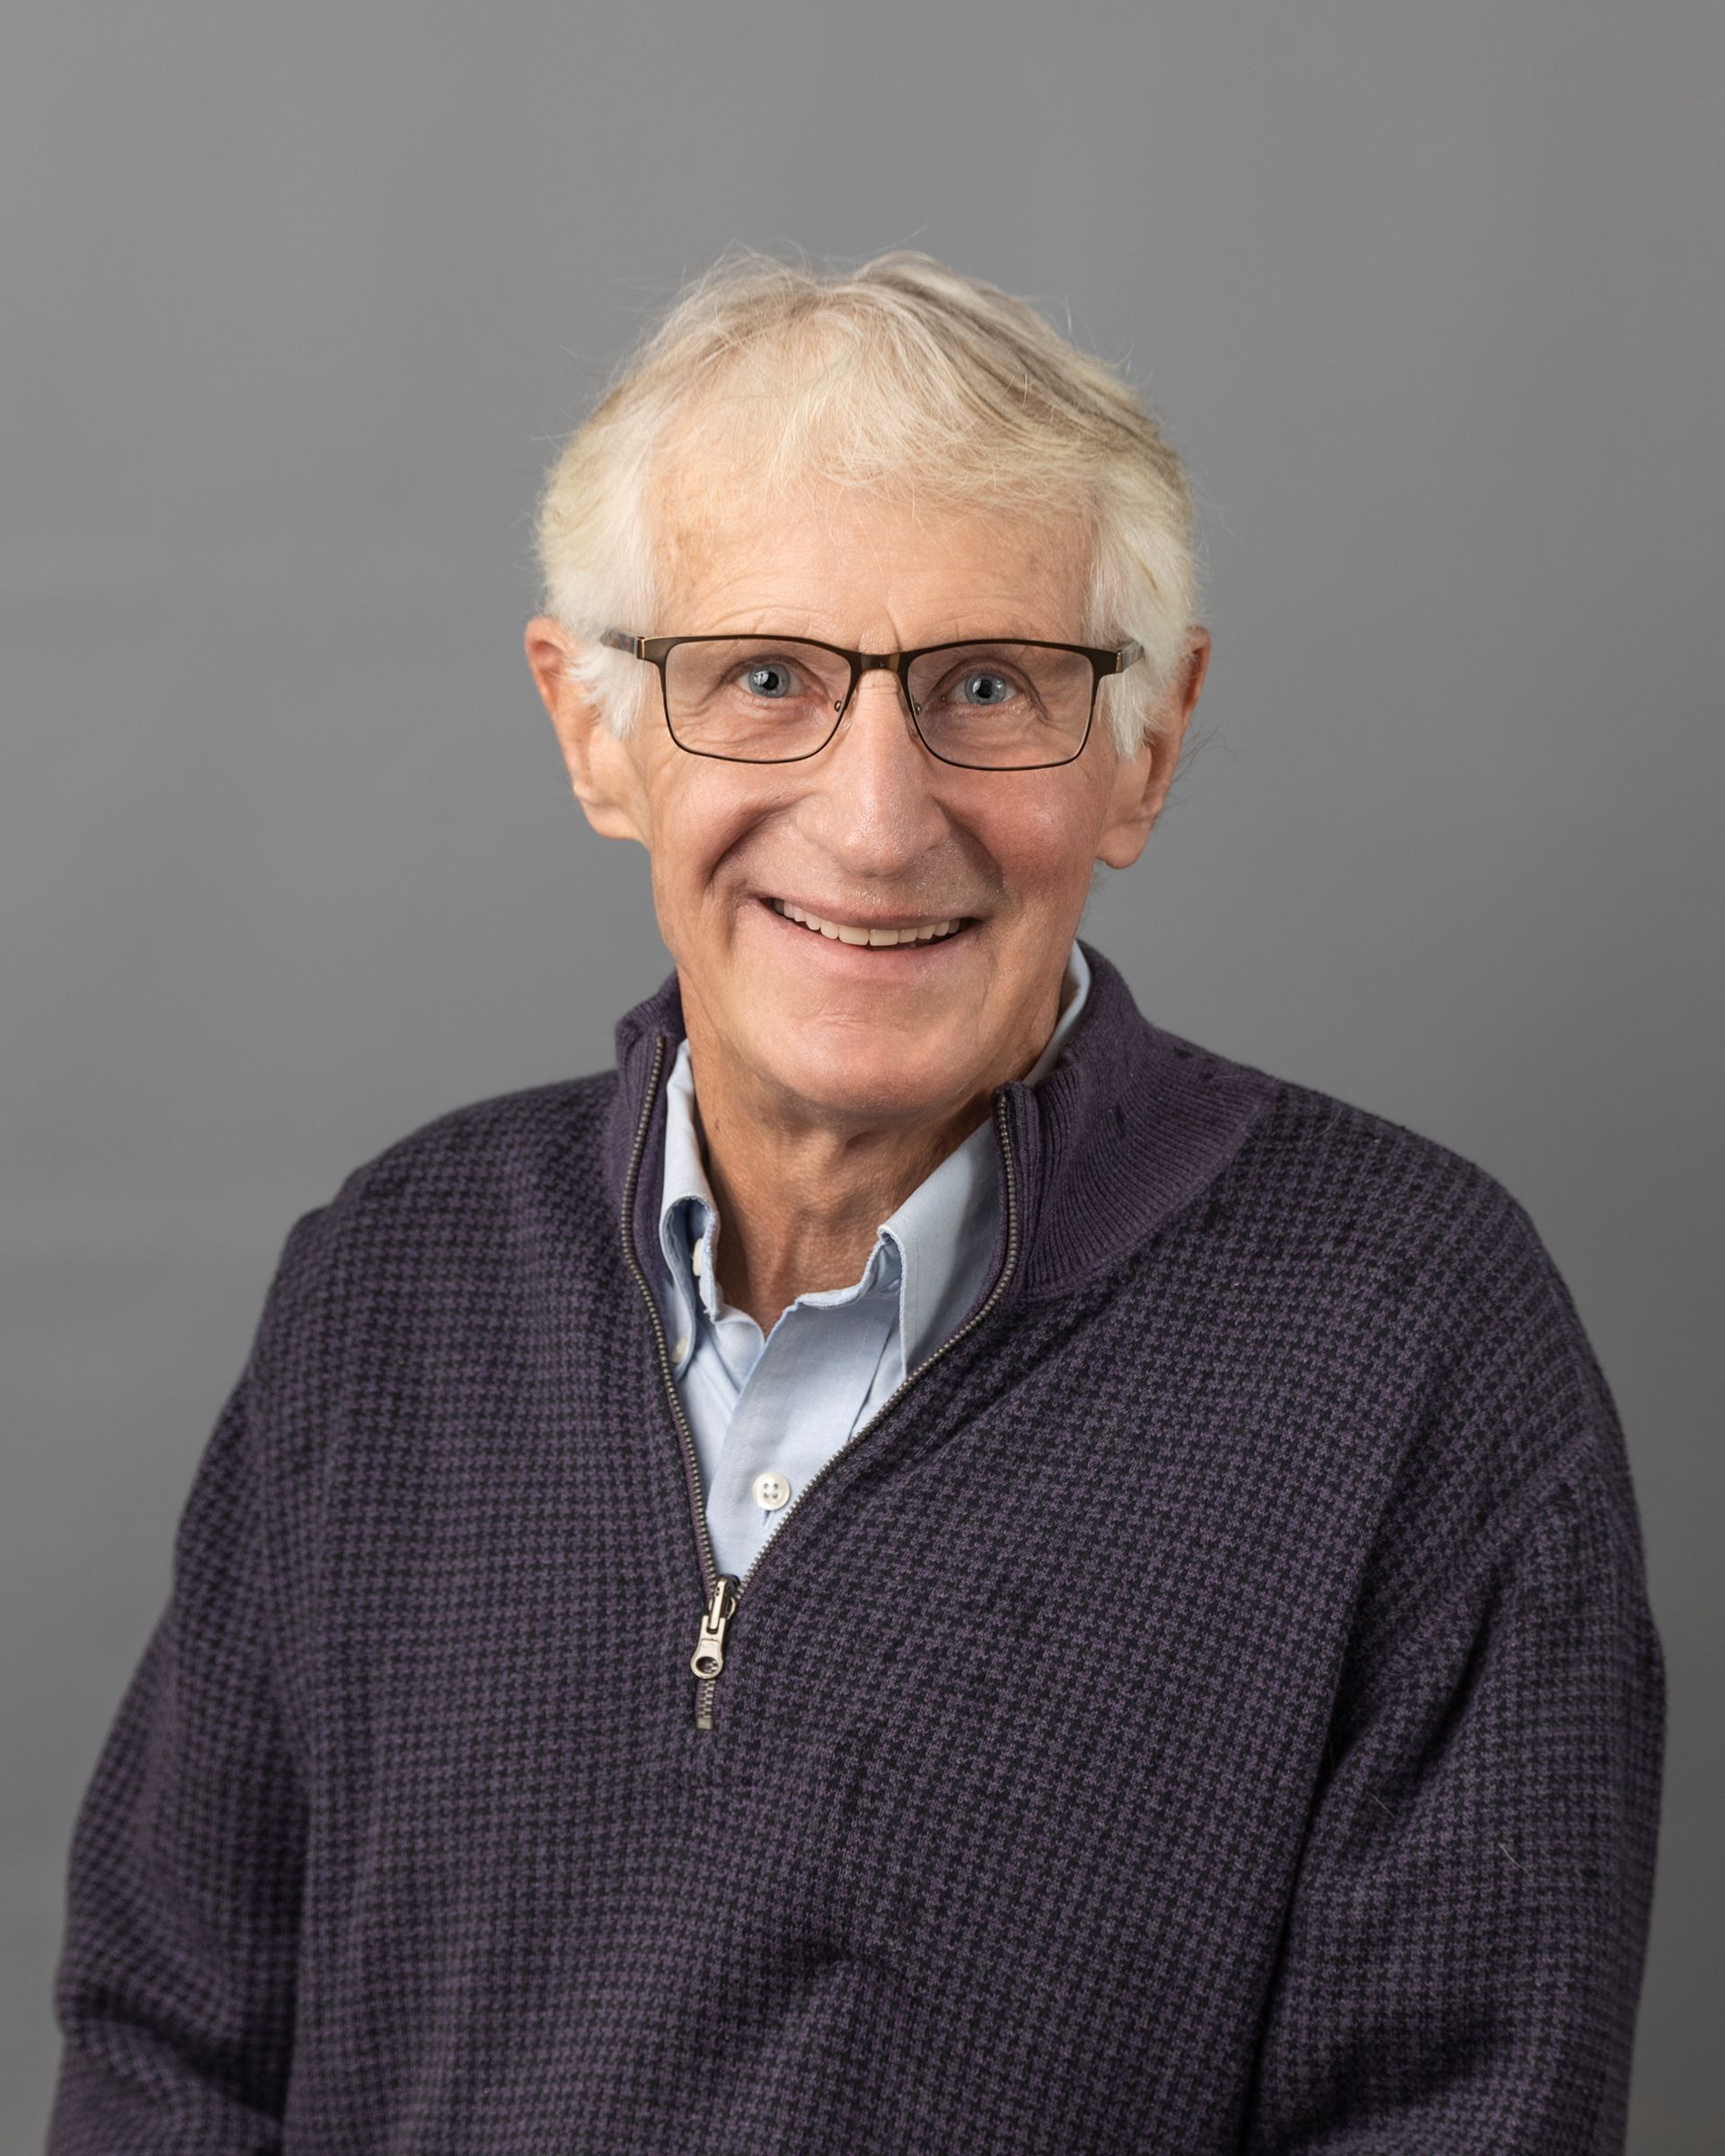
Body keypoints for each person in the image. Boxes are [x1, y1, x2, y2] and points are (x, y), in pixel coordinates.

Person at [47, 252, 1663, 2153]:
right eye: (764, 680)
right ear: (594, 730)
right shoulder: (390, 1289)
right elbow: (168, 2060)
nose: (879, 820)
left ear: (1143, 747)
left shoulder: (1411, 1342)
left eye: (990, 685)